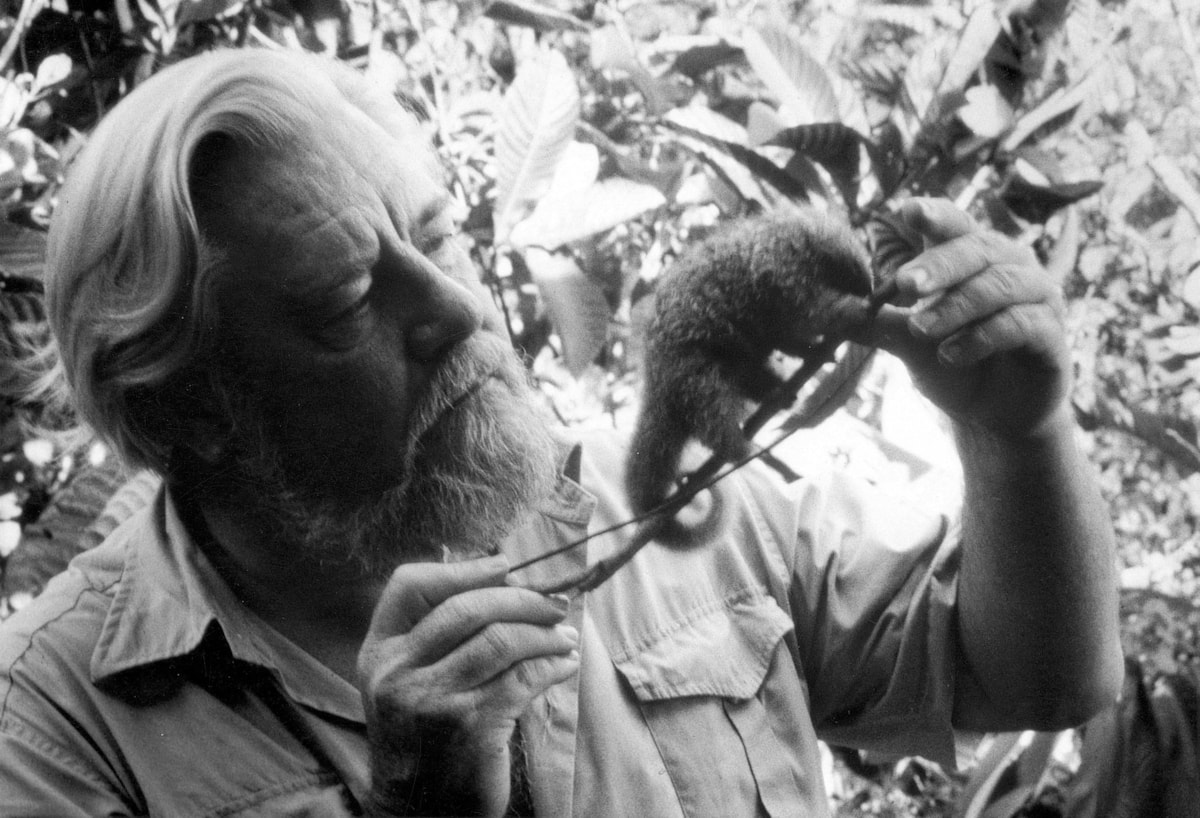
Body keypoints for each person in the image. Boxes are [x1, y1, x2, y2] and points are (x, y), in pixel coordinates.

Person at [0, 47, 1122, 817]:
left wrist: (1020, 434)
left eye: (438, 234)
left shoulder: (673, 499)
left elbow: (1039, 677)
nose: (459, 309)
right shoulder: (57, 720)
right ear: (186, 408)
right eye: (349, 303)